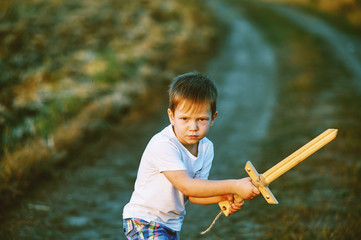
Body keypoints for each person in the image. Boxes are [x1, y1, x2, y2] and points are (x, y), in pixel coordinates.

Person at [122, 72, 260, 239]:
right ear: (172, 117)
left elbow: (194, 194)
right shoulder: (163, 144)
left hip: (171, 224)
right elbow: (187, 186)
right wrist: (235, 186)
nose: (193, 127)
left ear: (213, 118)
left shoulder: (206, 147)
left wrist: (224, 196)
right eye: (185, 118)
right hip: (144, 220)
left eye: (201, 119)